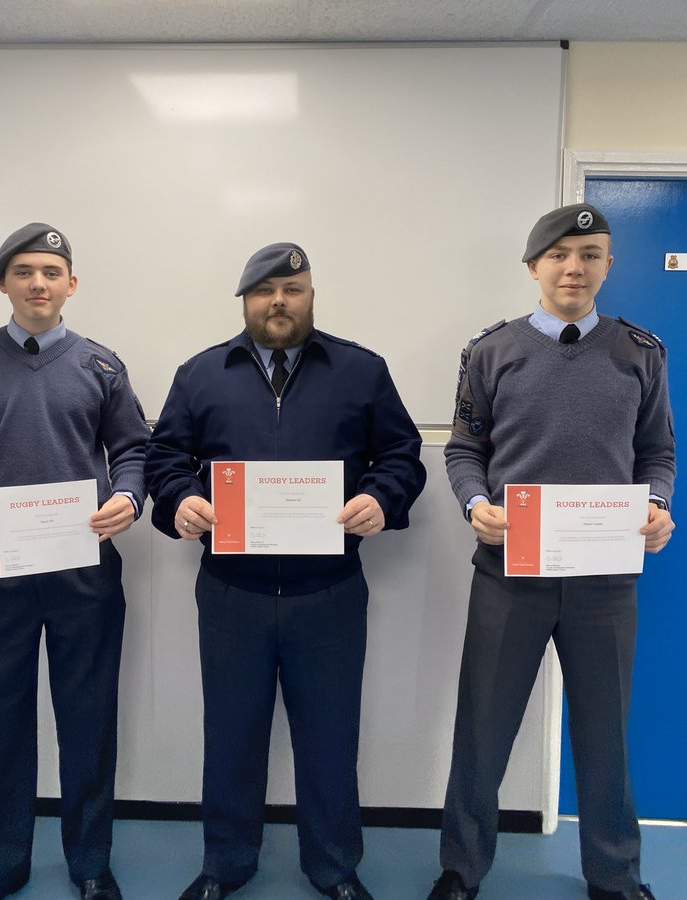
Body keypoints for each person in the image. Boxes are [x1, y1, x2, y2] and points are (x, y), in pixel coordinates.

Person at [145, 242, 427, 900]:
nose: (278, 301)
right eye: (265, 290)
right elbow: (165, 457)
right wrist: (181, 499)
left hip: (327, 593)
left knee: (330, 738)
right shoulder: (200, 374)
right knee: (231, 736)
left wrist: (380, 498)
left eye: (292, 288)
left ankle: (334, 868)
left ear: (311, 296)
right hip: (230, 594)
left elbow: (403, 454)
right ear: (244, 300)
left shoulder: (361, 370)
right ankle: (226, 865)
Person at [428, 204, 676, 900]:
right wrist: (477, 504)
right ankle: (461, 871)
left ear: (607, 265)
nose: (575, 267)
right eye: (561, 254)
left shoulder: (641, 352)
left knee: (606, 739)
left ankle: (616, 876)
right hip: (511, 576)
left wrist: (657, 505)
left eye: (591, 254)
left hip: (604, 583)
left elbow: (656, 451)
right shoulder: (490, 351)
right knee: (483, 731)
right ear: (534, 265)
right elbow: (464, 449)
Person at [0, 223, 149, 900]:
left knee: (89, 718)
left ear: (71, 283)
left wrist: (129, 495)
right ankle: (2, 858)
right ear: (4, 284)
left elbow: (134, 449)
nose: (38, 283)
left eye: (51, 270)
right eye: (23, 271)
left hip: (85, 573)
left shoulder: (101, 366)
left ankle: (91, 862)